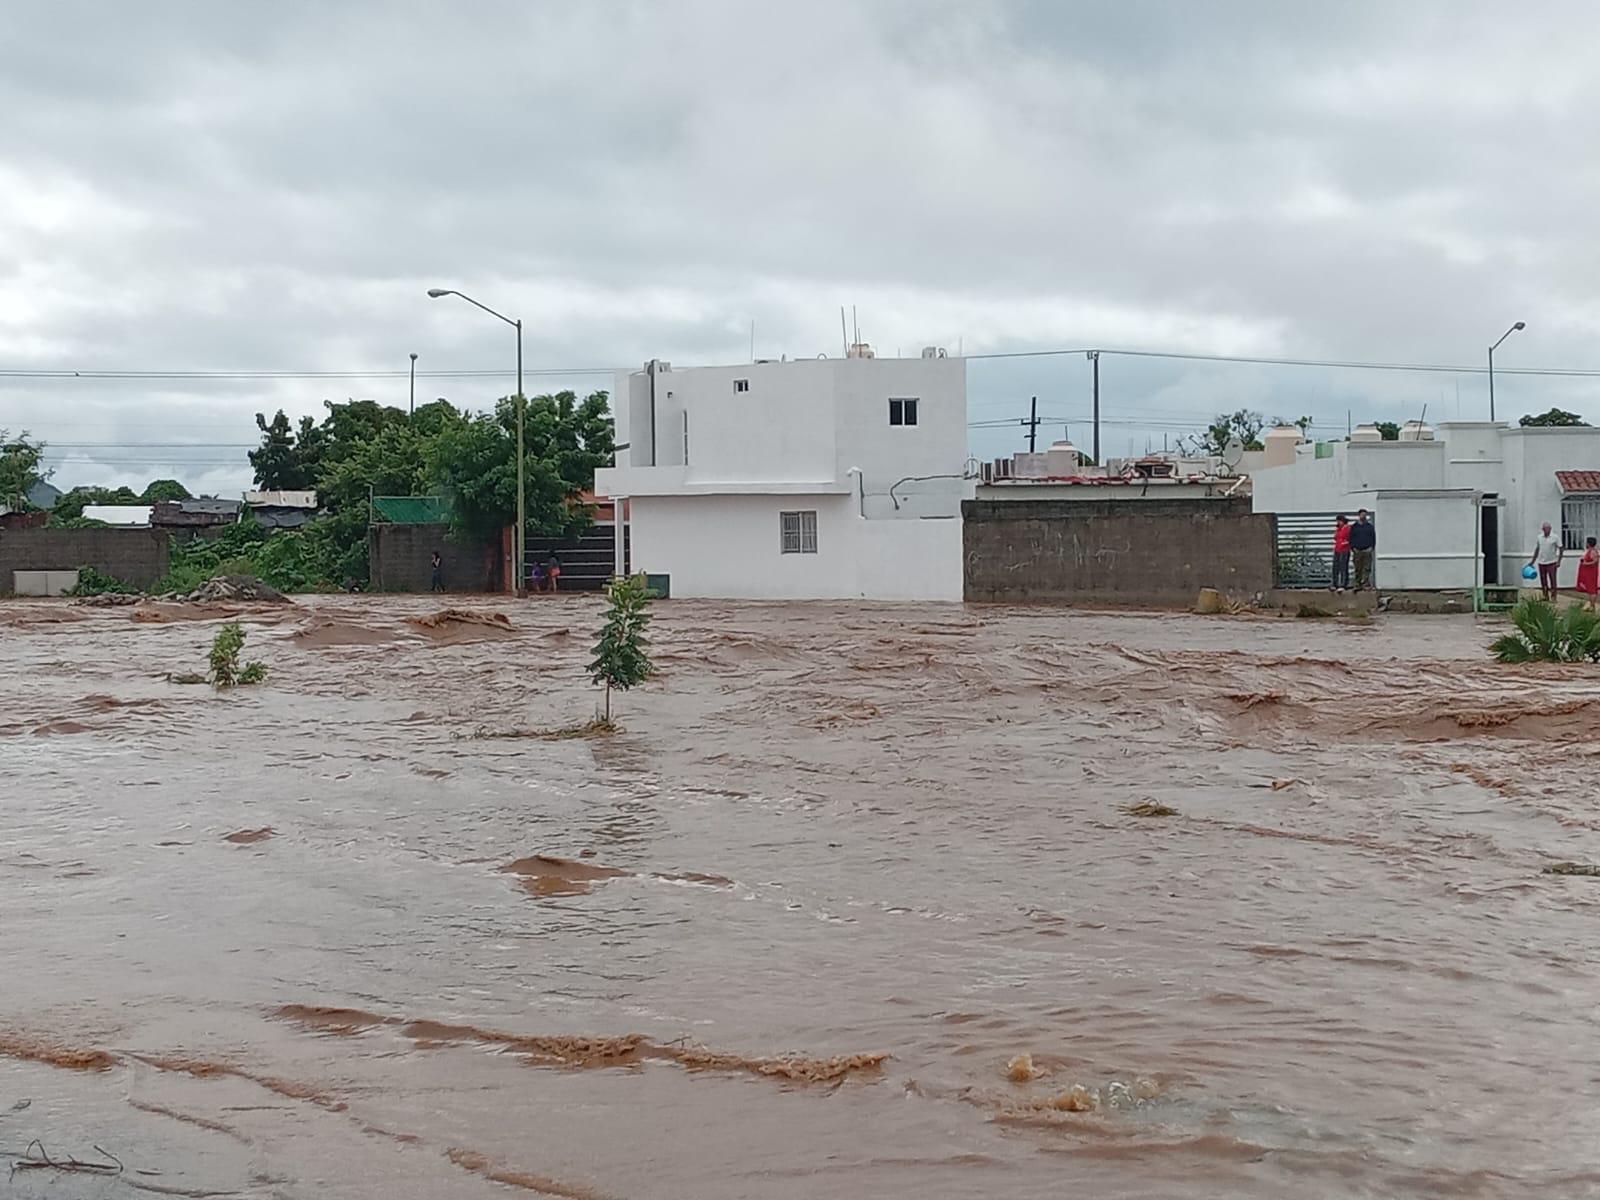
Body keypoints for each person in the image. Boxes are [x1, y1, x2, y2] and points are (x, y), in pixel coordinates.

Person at [1528, 521, 1563, 602]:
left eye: (1547, 528)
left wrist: (1559, 561)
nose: (1546, 530)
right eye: (1544, 528)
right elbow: (1537, 549)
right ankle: (1545, 595)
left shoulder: (1555, 537)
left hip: (1552, 562)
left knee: (1553, 580)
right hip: (1542, 562)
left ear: (1550, 529)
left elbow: (1561, 548)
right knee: (1543, 580)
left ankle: (1554, 597)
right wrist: (1533, 561)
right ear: (1542, 529)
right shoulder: (1539, 537)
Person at [1349, 509, 1376, 591]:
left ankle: (1366, 584)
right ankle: (1357, 584)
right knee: (1358, 568)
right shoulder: (1354, 527)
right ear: (1359, 515)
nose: (1363, 516)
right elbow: (1351, 538)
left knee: (1367, 568)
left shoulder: (1369, 527)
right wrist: (1353, 548)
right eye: (1362, 514)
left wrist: (1371, 547)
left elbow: (1373, 537)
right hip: (1357, 550)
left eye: (1365, 514)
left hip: (1367, 550)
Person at [1576, 536, 1598, 612]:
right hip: (1588, 572)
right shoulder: (1588, 551)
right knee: (1589, 589)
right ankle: (1592, 605)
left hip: (1591, 573)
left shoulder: (1593, 552)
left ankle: (1592, 605)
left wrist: (1586, 563)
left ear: (1589, 543)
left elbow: (1595, 561)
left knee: (1592, 589)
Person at [1331, 514, 1352, 591]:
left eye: (1340, 521)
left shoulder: (1348, 528)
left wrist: (1346, 543)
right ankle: (1335, 583)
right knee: (1335, 567)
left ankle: (1344, 583)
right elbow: (1335, 538)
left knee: (1343, 567)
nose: (1338, 522)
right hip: (1337, 549)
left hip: (1345, 549)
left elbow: (1350, 538)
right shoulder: (1338, 529)